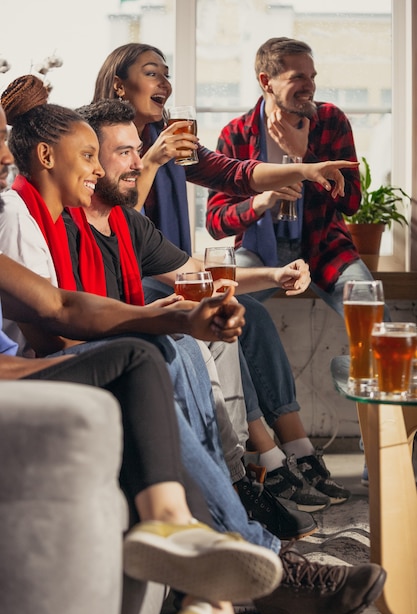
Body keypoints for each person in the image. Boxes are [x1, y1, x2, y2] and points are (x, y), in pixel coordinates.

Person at [0, 85, 386, 614]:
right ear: (47, 156)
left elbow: (72, 301)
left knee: (175, 342)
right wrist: (175, 315)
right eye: (100, 155)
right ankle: (266, 557)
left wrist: (247, 286)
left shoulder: (90, 217)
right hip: (47, 365)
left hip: (64, 355)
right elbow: (55, 320)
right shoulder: (21, 213)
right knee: (155, 347)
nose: (106, 166)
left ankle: (226, 541)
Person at [92, 43, 351, 510]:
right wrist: (149, 159)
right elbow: (114, 226)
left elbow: (236, 173)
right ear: (118, 83)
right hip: (131, 281)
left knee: (251, 312)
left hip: (171, 268)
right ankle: (265, 460)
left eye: (167, 74)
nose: (165, 83)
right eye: (153, 73)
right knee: (222, 315)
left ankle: (288, 451)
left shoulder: (174, 139)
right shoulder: (104, 145)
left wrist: (307, 168)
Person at [205, 36, 378, 314]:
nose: (310, 86)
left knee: (371, 312)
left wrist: (304, 155)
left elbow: (352, 202)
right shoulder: (236, 134)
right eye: (298, 77)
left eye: (312, 76)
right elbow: (215, 223)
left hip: (325, 245)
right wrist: (261, 201)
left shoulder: (331, 120)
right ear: (266, 81)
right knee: (218, 309)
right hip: (260, 252)